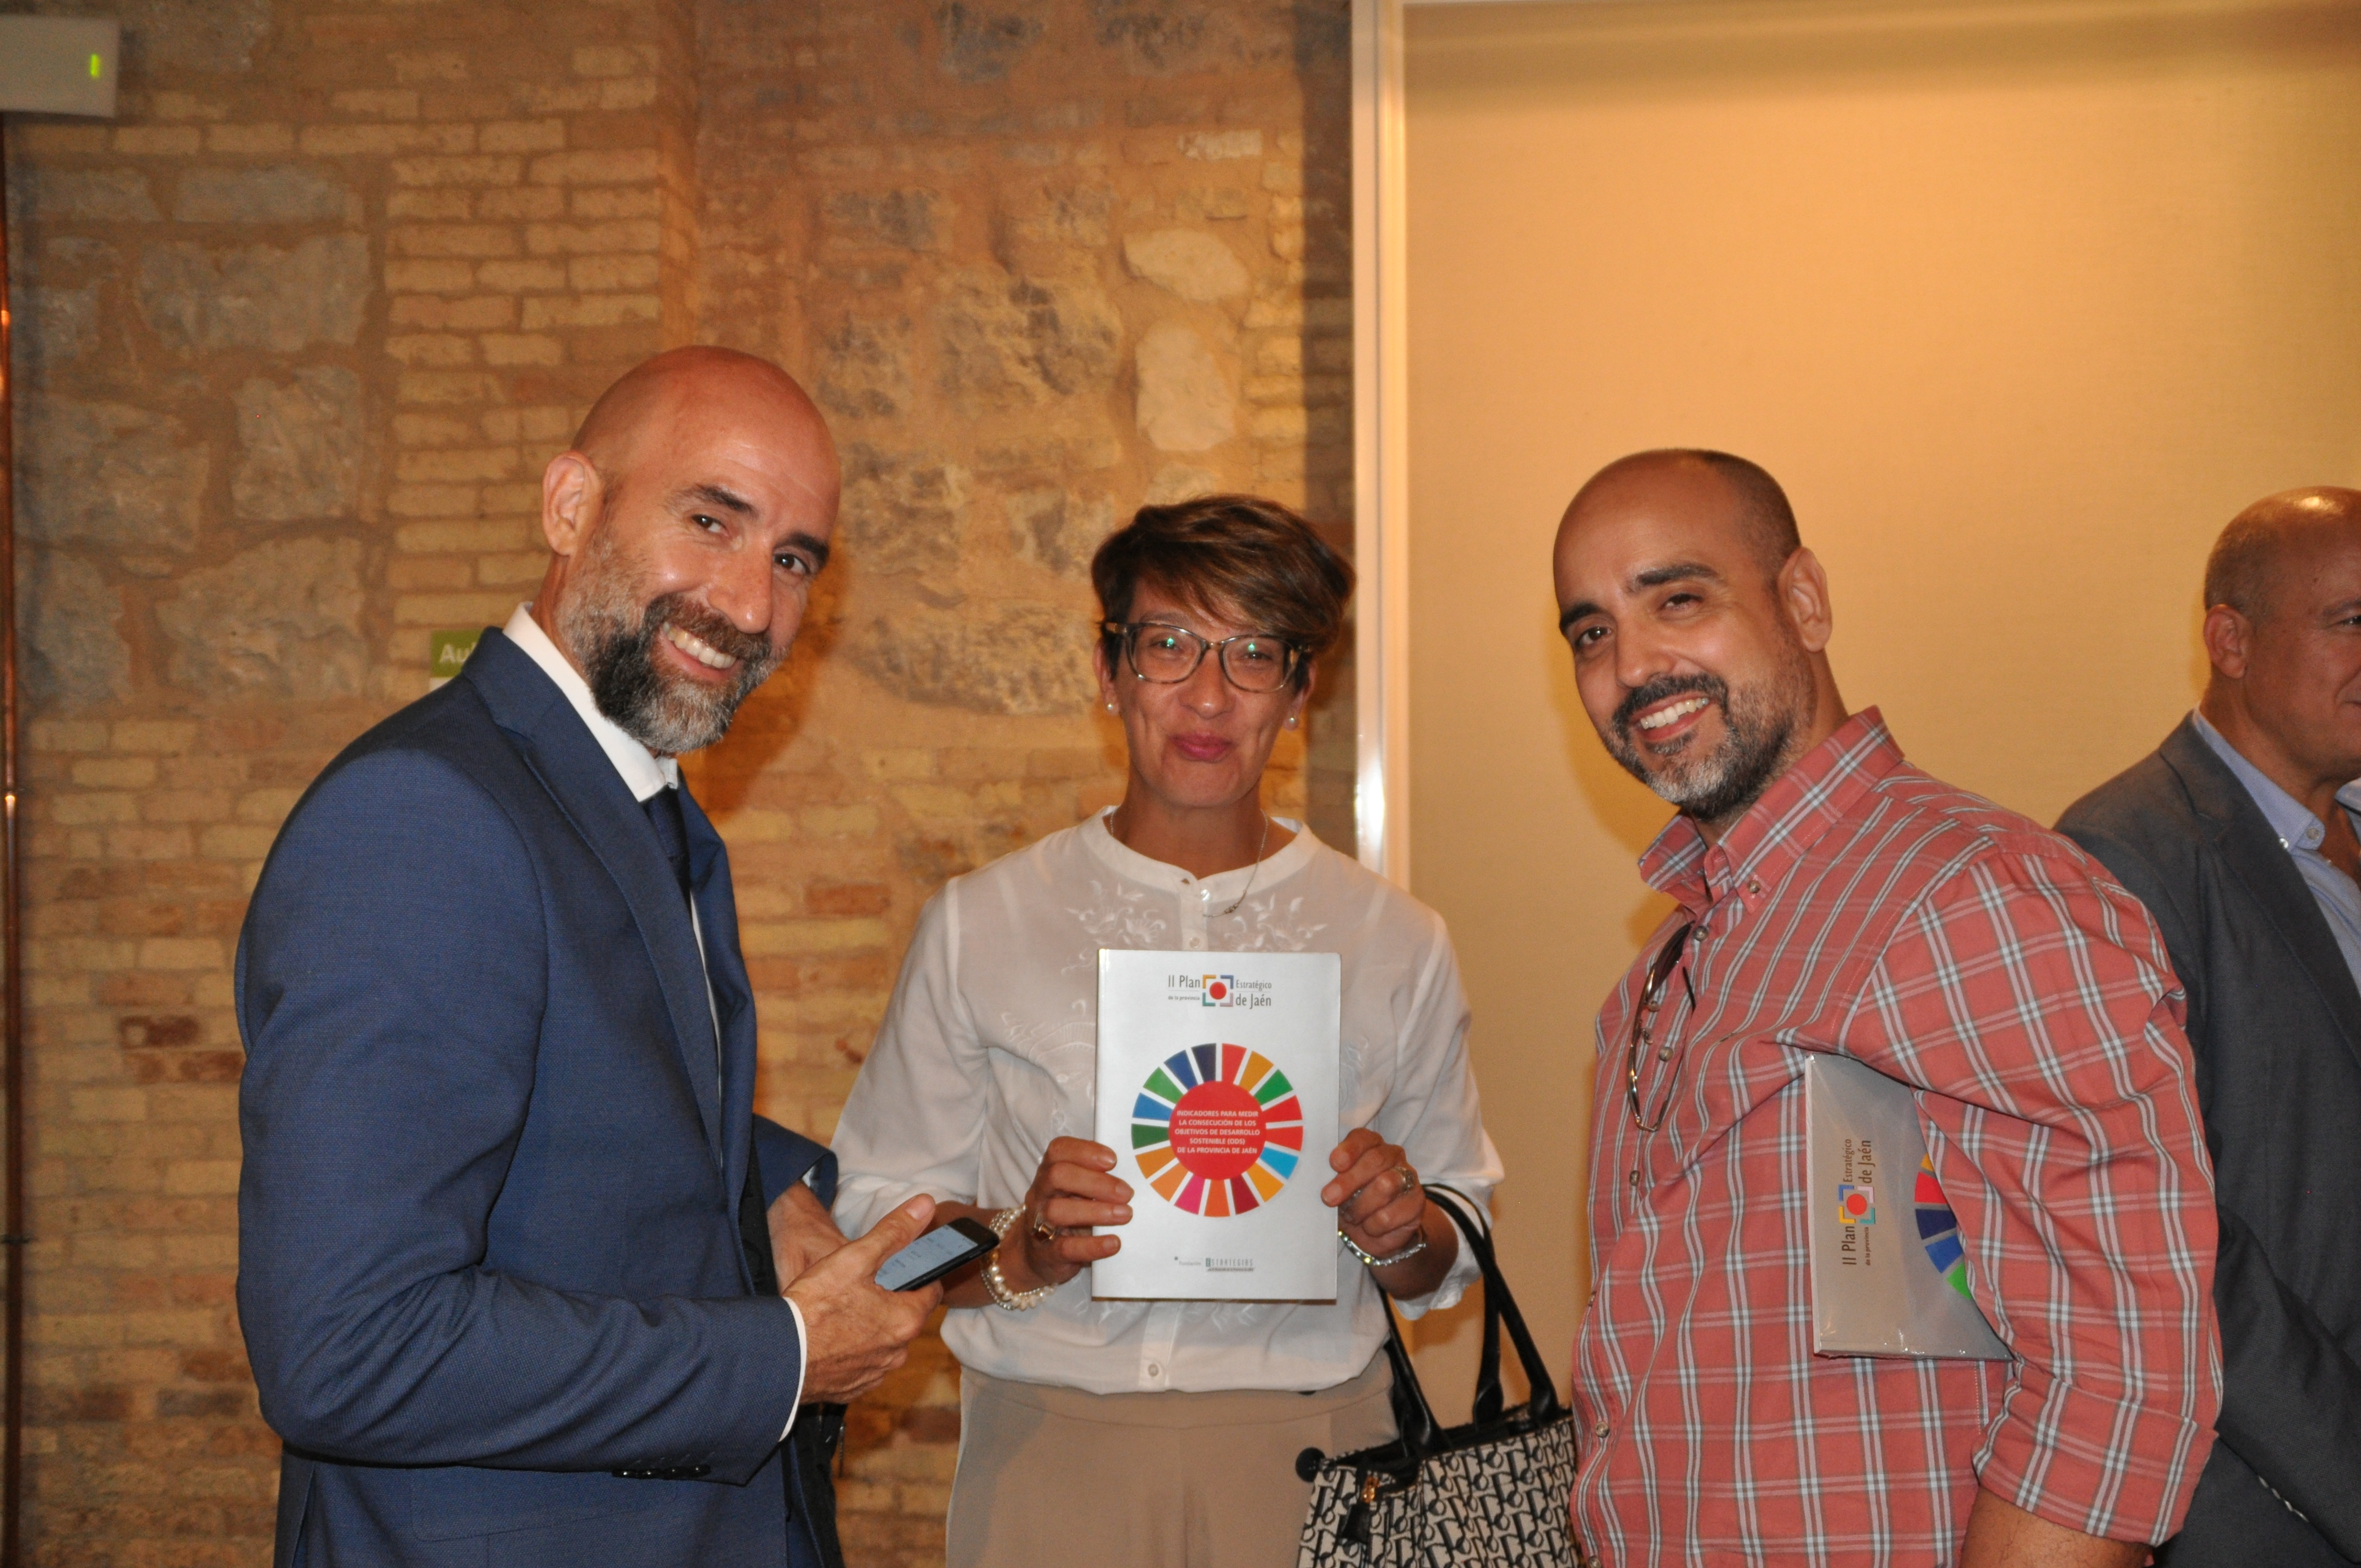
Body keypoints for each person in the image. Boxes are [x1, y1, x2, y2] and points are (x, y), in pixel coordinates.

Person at [237, 347, 939, 1568]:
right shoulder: (422, 813)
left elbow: (570, 1075)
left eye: (790, 558)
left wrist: (757, 1186)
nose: (749, 603)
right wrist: (778, 1355)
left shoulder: (633, 800)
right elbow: (347, 1347)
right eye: (710, 520)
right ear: (570, 506)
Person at [1552, 449, 2221, 1566]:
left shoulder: (1969, 890)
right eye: (1589, 631)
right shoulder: (1671, 963)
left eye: (1677, 598)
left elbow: (2119, 1360)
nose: (1631, 663)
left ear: (1802, 599)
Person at [829, 494, 1503, 1568]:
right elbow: (879, 1219)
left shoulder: (1393, 938)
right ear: (1109, 671)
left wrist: (1403, 1222)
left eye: (1251, 652)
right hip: (1050, 1459)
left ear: (1299, 689)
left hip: (1320, 1454)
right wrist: (1020, 1244)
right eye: (1168, 644)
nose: (1206, 693)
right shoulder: (983, 923)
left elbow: (1457, 1233)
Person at [2055, 487, 2361, 1567]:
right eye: (2351, 621)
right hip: (2281, 1507)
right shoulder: (2119, 858)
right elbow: (2174, 1235)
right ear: (2226, 638)